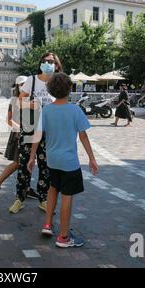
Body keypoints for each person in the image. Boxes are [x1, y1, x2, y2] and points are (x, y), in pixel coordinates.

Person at [27, 73, 99, 248]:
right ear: (70, 89)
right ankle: (64, 236)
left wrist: (31, 157)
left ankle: (47, 224)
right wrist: (92, 158)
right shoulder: (75, 110)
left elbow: (38, 134)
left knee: (53, 189)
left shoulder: (47, 110)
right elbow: (83, 136)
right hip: (69, 163)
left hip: (52, 161)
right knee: (67, 196)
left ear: (51, 89)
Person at [9, 52, 63, 214]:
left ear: (57, 65)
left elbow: (62, 103)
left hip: (49, 130)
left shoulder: (57, 82)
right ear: (40, 63)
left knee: (46, 166)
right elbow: (18, 101)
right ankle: (20, 198)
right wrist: (29, 105)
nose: (47, 63)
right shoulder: (32, 80)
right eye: (45, 61)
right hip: (30, 129)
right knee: (25, 164)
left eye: (51, 61)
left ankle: (43, 199)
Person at [0, 75, 28, 202]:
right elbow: (8, 120)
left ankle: (26, 188)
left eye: (26, 84)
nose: (24, 86)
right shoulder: (14, 100)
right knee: (17, 163)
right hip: (18, 134)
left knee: (27, 162)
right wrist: (20, 127)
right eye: (21, 84)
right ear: (17, 86)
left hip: (29, 133)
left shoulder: (30, 99)